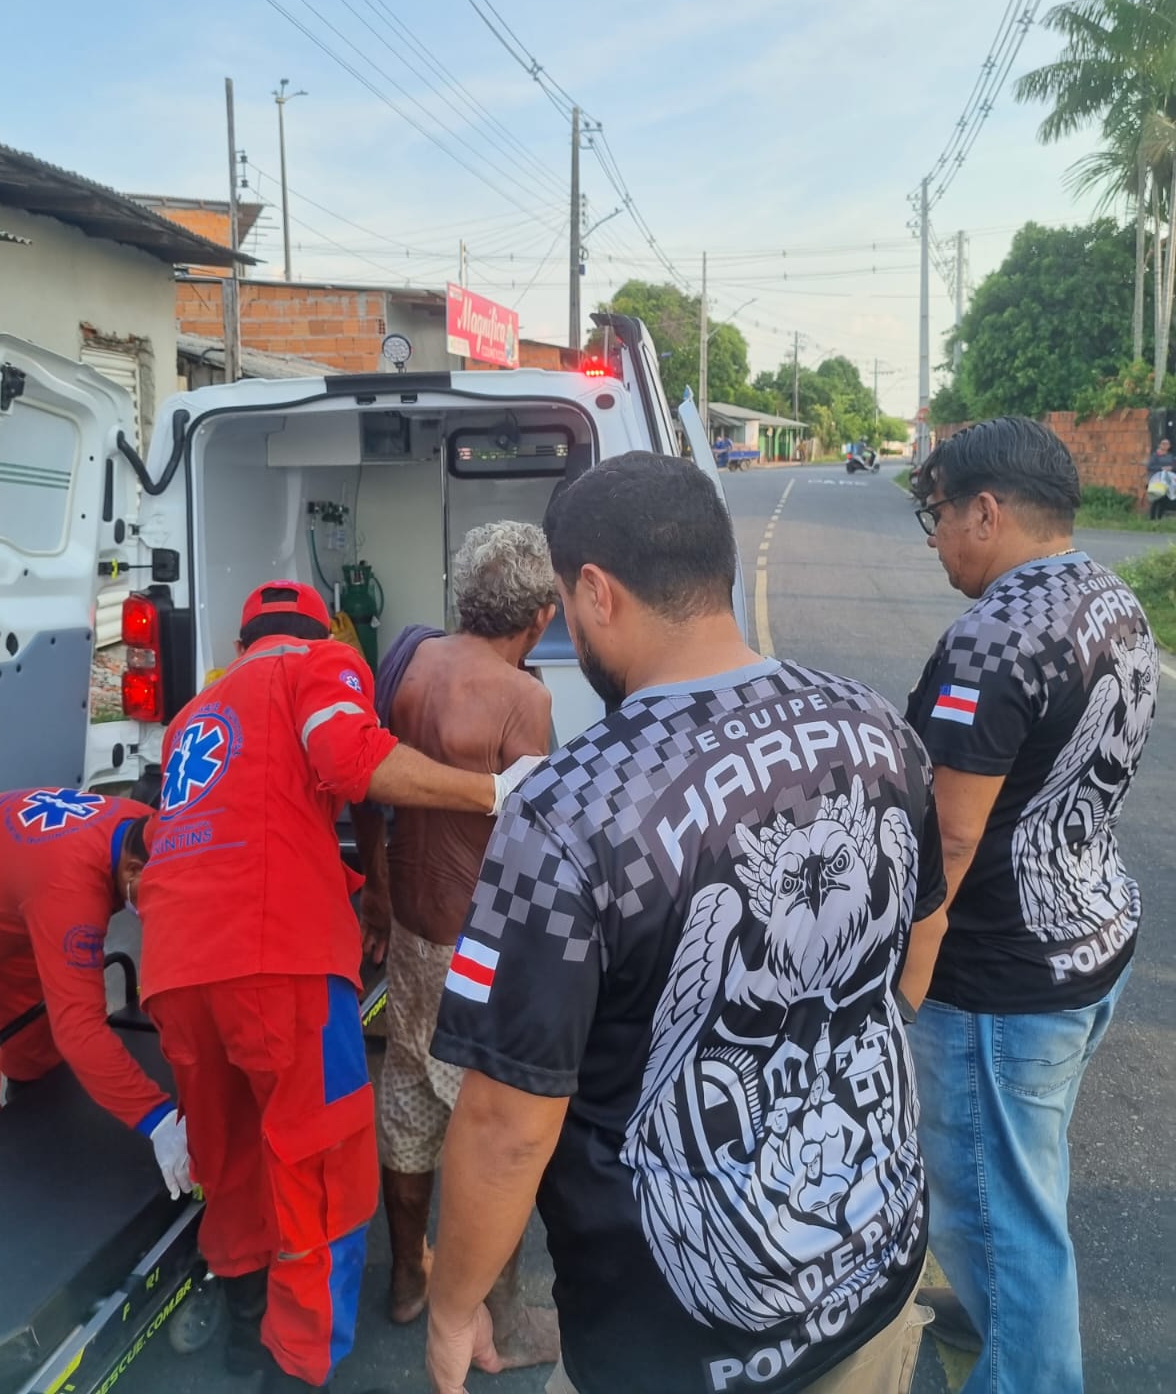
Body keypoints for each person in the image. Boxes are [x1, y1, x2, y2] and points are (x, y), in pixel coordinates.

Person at [424, 452, 945, 1394]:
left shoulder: (567, 811)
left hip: (673, 1348)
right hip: (873, 1279)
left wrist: (455, 1306)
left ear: (595, 592)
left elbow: (506, 1122)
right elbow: (923, 932)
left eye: (568, 605)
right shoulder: (879, 728)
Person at [139, 581, 538, 1394]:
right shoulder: (318, 663)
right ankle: (301, 1363)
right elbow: (351, 759)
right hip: (273, 962)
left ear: (246, 637)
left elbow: (226, 822)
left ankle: (248, 1329)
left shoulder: (197, 713)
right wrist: (491, 790)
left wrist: (357, 879)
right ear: (317, 633)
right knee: (320, 1163)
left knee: (232, 1149)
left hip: (172, 966)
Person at [904, 417, 1157, 1394]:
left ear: (987, 509)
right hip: (1091, 937)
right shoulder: (1111, 596)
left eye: (938, 514)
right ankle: (982, 1331)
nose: (934, 538)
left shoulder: (995, 633)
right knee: (1016, 1186)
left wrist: (906, 987)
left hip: (1000, 985)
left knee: (1010, 1235)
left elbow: (951, 838)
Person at [356, 522, 557, 1364]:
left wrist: (374, 887)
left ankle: (408, 1280)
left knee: (406, 1095)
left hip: (408, 921)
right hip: (477, 944)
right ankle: (494, 1326)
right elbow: (535, 850)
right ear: (542, 617)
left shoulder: (407, 662)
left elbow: (366, 786)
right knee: (487, 1124)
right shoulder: (526, 702)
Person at [0, 788, 190, 1196]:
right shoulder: (69, 887)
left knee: (33, 1045)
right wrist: (157, 1117)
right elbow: (79, 1029)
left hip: (3, 911)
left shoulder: (144, 826)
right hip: (10, 896)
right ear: (131, 871)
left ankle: (37, 1162)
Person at [1144, 435, 1175, 520]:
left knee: (1164, 499)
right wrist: (1161, 468)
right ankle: (1152, 518)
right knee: (1156, 498)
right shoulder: (1155, 455)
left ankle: (1160, 517)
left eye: (1167, 444)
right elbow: (1150, 467)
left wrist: (1171, 468)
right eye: (1163, 443)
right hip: (1156, 480)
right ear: (1159, 445)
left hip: (1166, 480)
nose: (1165, 445)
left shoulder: (1170, 456)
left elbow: (1173, 465)